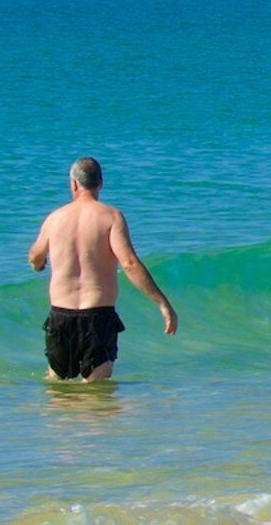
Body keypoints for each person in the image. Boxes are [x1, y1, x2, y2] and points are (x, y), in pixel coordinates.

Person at [27, 156, 178, 381]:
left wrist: (40, 265)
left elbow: (35, 256)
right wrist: (162, 303)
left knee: (57, 387)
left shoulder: (55, 218)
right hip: (97, 316)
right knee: (97, 394)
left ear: (74, 184)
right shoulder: (111, 217)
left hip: (61, 315)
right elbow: (129, 263)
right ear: (100, 184)